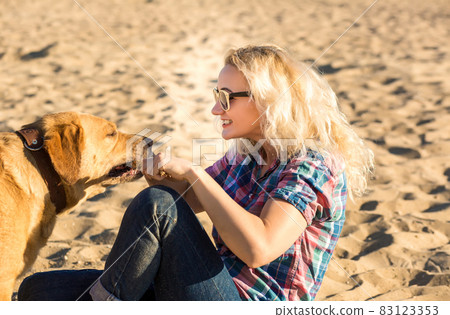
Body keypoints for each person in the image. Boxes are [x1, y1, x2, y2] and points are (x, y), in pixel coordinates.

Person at [18, 44, 374, 301]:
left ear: (268, 99)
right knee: (39, 291)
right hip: (202, 288)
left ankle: (104, 306)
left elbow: (259, 248)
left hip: (249, 304)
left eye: (226, 96)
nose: (215, 108)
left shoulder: (313, 164)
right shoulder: (248, 155)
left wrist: (193, 173)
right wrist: (158, 172)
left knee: (156, 205)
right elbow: (186, 200)